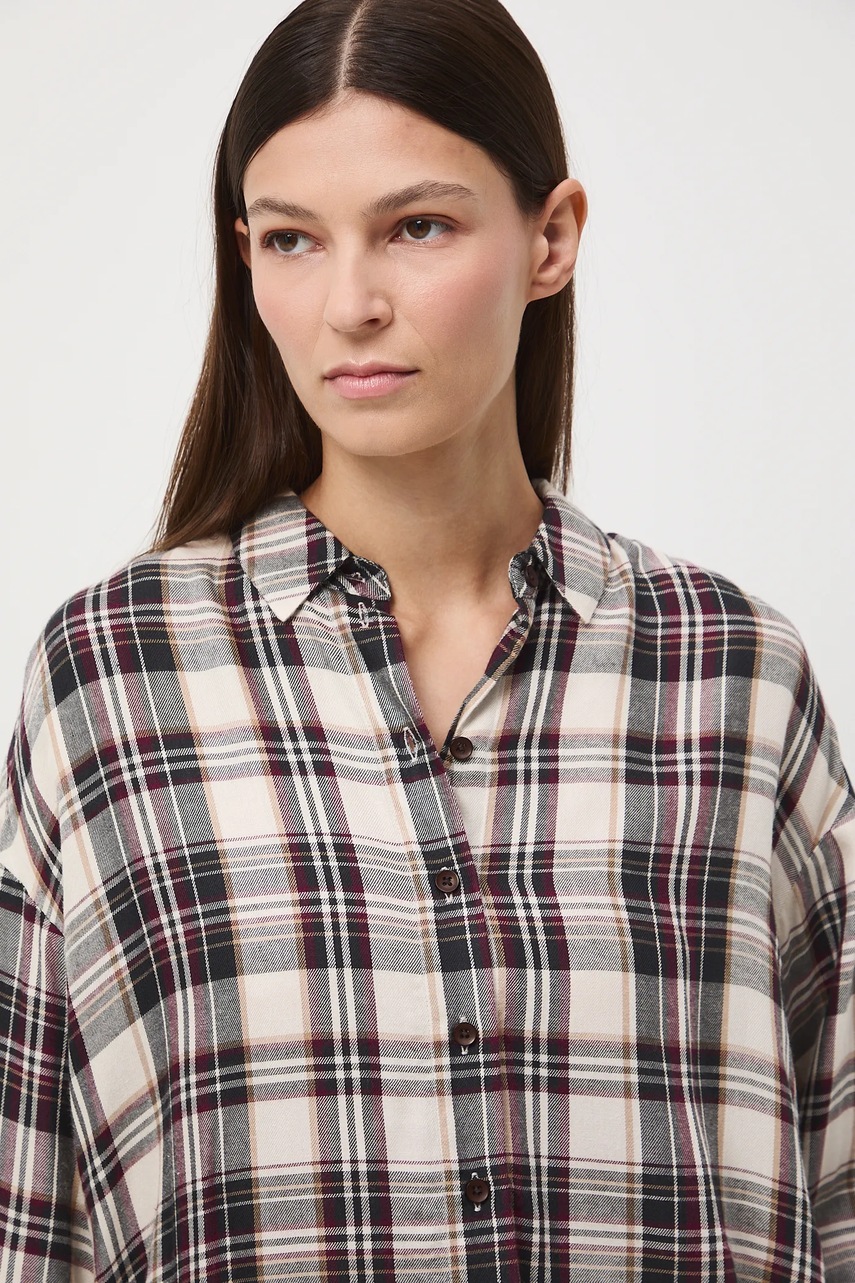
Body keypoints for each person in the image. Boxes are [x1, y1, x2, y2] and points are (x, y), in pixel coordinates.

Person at [1, 0, 852, 1277]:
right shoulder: (114, 678)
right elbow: (32, 1209)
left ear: (551, 238)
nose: (350, 304)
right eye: (292, 239)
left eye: (417, 227)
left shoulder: (731, 673)